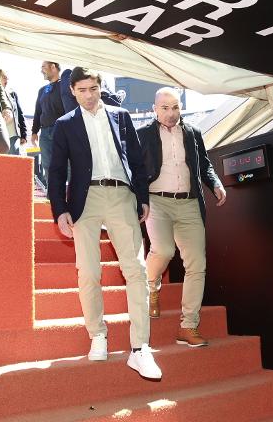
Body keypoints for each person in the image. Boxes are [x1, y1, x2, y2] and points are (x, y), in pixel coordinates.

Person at [48, 66, 162, 380]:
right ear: (72, 90)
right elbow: (56, 171)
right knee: (88, 271)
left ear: (101, 87)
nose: (88, 95)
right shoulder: (65, 125)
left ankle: (140, 348)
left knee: (136, 270)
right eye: (82, 90)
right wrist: (59, 210)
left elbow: (136, 161)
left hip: (122, 196)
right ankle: (97, 335)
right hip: (85, 201)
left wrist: (142, 197)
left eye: (93, 88)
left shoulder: (121, 116)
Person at [137, 87, 227, 347]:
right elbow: (135, 169)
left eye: (175, 107)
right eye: (165, 108)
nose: (171, 113)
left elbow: (205, 164)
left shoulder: (193, 133)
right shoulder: (142, 135)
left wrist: (215, 183)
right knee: (163, 251)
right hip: (157, 201)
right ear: (155, 109)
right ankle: (151, 287)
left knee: (197, 263)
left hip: (188, 203)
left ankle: (188, 326)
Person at [31, 61, 65, 186]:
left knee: (64, 165)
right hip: (45, 134)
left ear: (53, 67)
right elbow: (38, 111)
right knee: (47, 165)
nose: (41, 70)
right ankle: (52, 196)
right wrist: (34, 132)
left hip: (61, 131)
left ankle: (68, 196)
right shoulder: (42, 90)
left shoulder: (65, 86)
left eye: (43, 67)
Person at [0, 68, 27, 154]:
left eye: (7, 77)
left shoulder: (12, 94)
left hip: (13, 135)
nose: (7, 79)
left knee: (14, 162)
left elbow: (20, 114)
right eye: (4, 77)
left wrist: (23, 134)